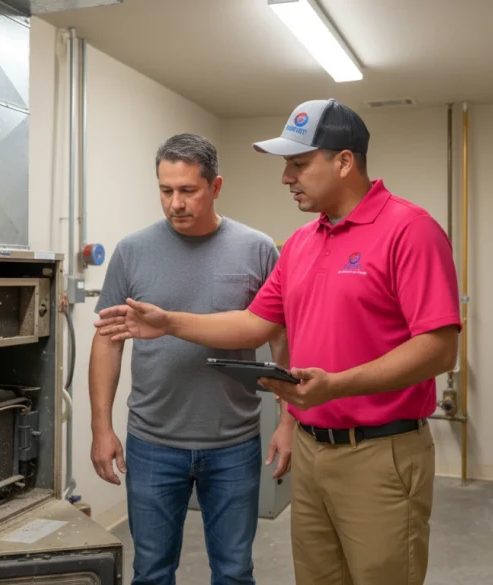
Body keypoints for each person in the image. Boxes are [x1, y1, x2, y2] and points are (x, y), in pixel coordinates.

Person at [94, 100, 461, 585]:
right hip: (312, 452)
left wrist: (337, 386)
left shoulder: (410, 230)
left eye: (299, 164)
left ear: (344, 162)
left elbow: (440, 348)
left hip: (380, 452)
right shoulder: (304, 242)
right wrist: (169, 322)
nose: (287, 177)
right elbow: (253, 324)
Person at [88, 133, 292, 585]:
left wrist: (287, 420)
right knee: (152, 571)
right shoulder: (133, 251)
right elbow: (108, 341)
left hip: (234, 443)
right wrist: (101, 428)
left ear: (215, 187)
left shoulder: (257, 249)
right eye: (166, 190)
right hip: (153, 442)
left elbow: (280, 338)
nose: (175, 203)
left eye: (188, 190)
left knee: (235, 572)